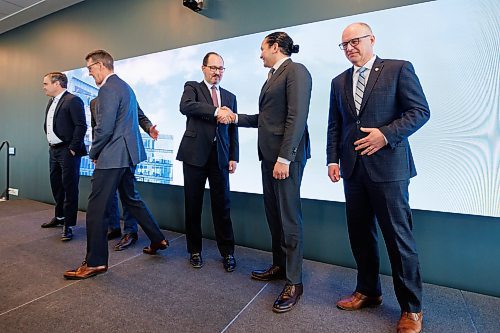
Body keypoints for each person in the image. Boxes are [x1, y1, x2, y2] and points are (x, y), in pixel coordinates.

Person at [326, 22, 430, 333]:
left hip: (389, 170)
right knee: (360, 235)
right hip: (353, 171)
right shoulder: (338, 81)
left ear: (372, 39)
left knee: (399, 240)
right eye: (344, 44)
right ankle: (369, 291)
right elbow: (335, 123)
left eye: (355, 41)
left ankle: (412, 309)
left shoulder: (398, 69)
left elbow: (419, 111)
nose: (350, 48)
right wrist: (332, 159)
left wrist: (385, 135)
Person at [220, 32, 312, 313]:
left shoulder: (296, 71)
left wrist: (285, 157)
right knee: (274, 215)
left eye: (262, 48)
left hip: (285, 159)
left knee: (288, 217)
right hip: (270, 158)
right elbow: (267, 119)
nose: (260, 54)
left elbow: (297, 116)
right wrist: (235, 118)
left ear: (275, 47)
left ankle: (294, 282)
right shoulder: (273, 76)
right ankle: (280, 265)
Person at [64, 50, 168, 280]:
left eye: (90, 69)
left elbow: (104, 128)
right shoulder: (125, 86)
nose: (90, 74)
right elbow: (137, 114)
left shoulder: (108, 89)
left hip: (113, 156)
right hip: (128, 156)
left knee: (96, 209)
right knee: (132, 199)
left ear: (100, 65)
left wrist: (93, 152)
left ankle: (95, 263)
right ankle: (157, 238)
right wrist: (148, 127)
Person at [177, 52, 239, 272]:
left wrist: (234, 156)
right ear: (203, 68)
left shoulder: (230, 97)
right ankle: (194, 250)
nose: (217, 72)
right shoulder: (192, 87)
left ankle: (228, 253)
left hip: (220, 157)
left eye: (221, 68)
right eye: (213, 68)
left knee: (222, 206)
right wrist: (216, 111)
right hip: (194, 154)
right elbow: (186, 107)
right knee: (193, 205)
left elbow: (233, 129)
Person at [89, 98, 160, 251]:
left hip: (126, 154)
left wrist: (149, 129)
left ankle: (130, 232)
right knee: (110, 195)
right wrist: (96, 154)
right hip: (106, 155)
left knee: (127, 194)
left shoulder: (127, 98)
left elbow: (140, 116)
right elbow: (96, 129)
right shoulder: (94, 103)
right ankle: (114, 228)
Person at [41, 72, 87, 241]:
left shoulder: (73, 100)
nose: (43, 87)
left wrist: (73, 148)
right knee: (56, 186)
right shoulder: (51, 101)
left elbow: (81, 126)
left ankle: (69, 224)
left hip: (68, 151)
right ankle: (59, 217)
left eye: (46, 83)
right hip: (54, 150)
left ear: (57, 83)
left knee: (69, 188)